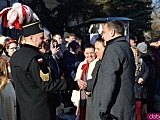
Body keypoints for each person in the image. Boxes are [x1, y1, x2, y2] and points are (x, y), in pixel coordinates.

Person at [10, 20, 86, 120]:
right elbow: (47, 84)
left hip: (24, 111)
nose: (43, 41)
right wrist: (73, 84)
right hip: (41, 112)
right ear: (32, 37)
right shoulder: (36, 58)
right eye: (41, 38)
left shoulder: (16, 56)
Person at [79, 20, 136, 120]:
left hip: (114, 109)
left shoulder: (113, 48)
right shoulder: (126, 47)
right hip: (125, 106)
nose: (102, 36)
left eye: (104, 32)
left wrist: (103, 108)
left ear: (112, 32)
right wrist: (88, 84)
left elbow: (109, 80)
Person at [71, 44, 98, 120]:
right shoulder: (81, 65)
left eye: (91, 53)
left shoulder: (98, 64)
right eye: (87, 53)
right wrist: (75, 97)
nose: (89, 55)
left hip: (91, 96)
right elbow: (77, 79)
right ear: (84, 53)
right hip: (82, 95)